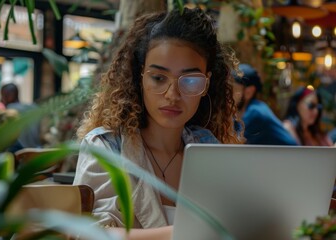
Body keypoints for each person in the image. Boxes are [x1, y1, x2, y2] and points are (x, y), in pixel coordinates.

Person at [73, 8, 242, 239]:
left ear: (206, 84)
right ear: (140, 76)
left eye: (190, 80)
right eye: (159, 78)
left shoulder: (208, 147)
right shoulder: (107, 147)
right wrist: (183, 234)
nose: (173, 95)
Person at [232, 64, 298, 145]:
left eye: (233, 89)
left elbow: (234, 145)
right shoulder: (249, 110)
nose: (227, 93)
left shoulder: (255, 113)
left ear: (249, 92)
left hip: (291, 157)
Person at [0, 83, 41, 149]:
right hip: (37, 150)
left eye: (3, 96)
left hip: (20, 153)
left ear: (9, 96)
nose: (2, 99)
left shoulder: (9, 111)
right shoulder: (34, 107)